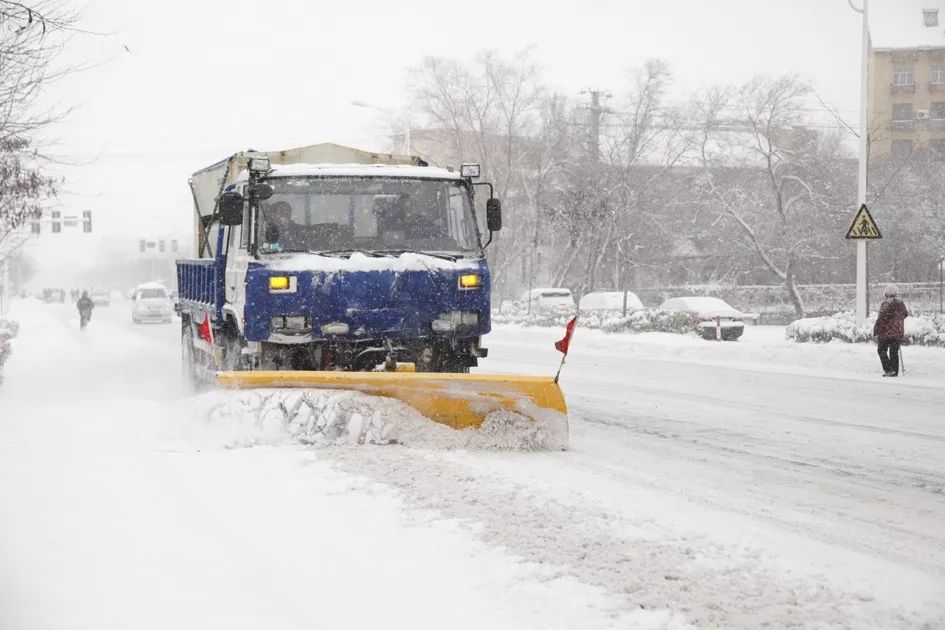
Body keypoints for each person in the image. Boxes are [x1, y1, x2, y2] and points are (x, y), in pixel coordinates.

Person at [873, 284, 909, 377]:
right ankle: (894, 371)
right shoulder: (901, 303)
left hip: (886, 332)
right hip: (898, 331)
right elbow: (905, 314)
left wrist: (876, 329)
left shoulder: (886, 304)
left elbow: (881, 318)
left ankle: (889, 369)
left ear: (886, 295)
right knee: (893, 352)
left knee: (881, 350)